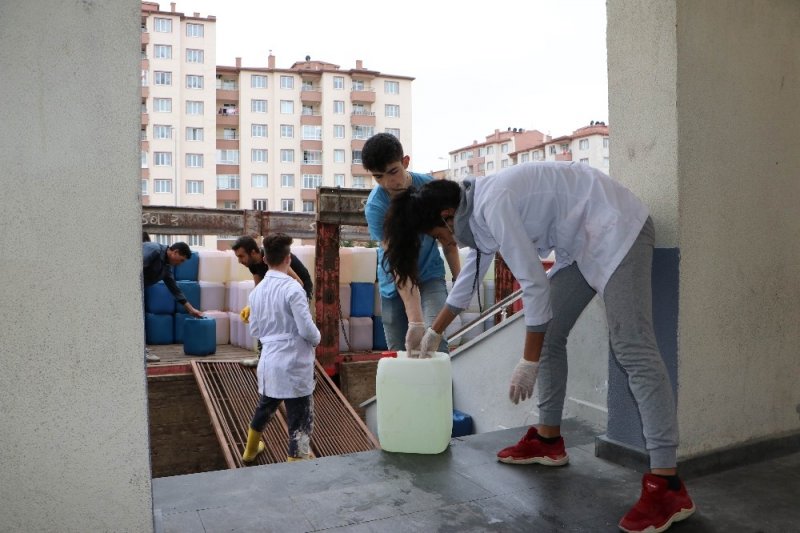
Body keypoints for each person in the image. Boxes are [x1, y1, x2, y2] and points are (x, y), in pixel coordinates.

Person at [381, 161, 695, 533]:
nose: (444, 241)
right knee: (552, 332)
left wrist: (527, 362)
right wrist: (433, 331)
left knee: (633, 349)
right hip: (580, 243)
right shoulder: (475, 208)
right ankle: (548, 441)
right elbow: (469, 278)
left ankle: (667, 483)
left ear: (447, 216)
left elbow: (533, 285)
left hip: (616, 227)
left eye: (437, 234)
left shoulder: (493, 203)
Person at [362, 133, 460, 354]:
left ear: (405, 162)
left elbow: (449, 241)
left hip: (430, 274)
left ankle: (439, 387)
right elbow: (398, 263)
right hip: (394, 281)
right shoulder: (376, 207)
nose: (389, 182)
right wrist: (415, 321)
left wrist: (461, 284)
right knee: (400, 352)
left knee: (436, 341)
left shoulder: (430, 189)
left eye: (393, 171)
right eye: (379, 177)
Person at [241, 233, 320, 463]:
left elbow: (255, 331)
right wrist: (317, 338)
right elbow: (307, 330)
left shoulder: (255, 293)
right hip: (294, 361)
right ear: (289, 258)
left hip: (269, 361)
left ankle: (250, 449)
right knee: (299, 418)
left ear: (264, 259)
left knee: (266, 407)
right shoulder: (293, 289)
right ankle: (296, 463)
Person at [232, 235, 313, 367]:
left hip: (301, 286)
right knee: (261, 314)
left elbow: (298, 283)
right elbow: (258, 288)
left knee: (296, 323)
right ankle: (261, 357)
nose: (239, 261)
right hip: (281, 289)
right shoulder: (253, 264)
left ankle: (302, 362)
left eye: (241, 256)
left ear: (253, 252)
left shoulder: (270, 257)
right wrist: (252, 306)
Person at [142, 241, 203, 362]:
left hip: (136, 293)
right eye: (181, 260)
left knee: (139, 320)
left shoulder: (166, 266)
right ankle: (139, 352)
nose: (180, 264)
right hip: (125, 291)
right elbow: (134, 267)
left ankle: (140, 349)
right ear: (175, 252)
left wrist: (191, 310)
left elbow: (174, 289)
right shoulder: (153, 250)